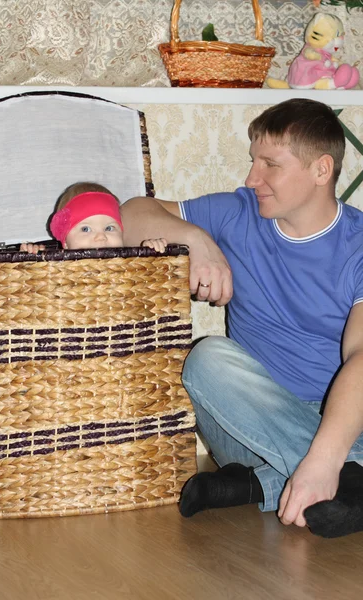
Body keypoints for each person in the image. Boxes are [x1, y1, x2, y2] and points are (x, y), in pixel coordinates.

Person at [121, 98, 363, 539]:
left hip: (342, 425)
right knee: (208, 359)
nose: (252, 178)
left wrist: (325, 456)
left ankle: (258, 484)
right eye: (254, 161)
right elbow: (129, 214)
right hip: (245, 424)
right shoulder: (238, 213)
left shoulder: (359, 245)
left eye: (270, 164)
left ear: (321, 170)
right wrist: (197, 240)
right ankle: (347, 481)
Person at [21, 181, 167, 252]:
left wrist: (151, 253)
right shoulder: (56, 267)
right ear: (65, 242)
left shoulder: (128, 262)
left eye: (109, 228)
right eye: (85, 229)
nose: (101, 237)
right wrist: (29, 260)